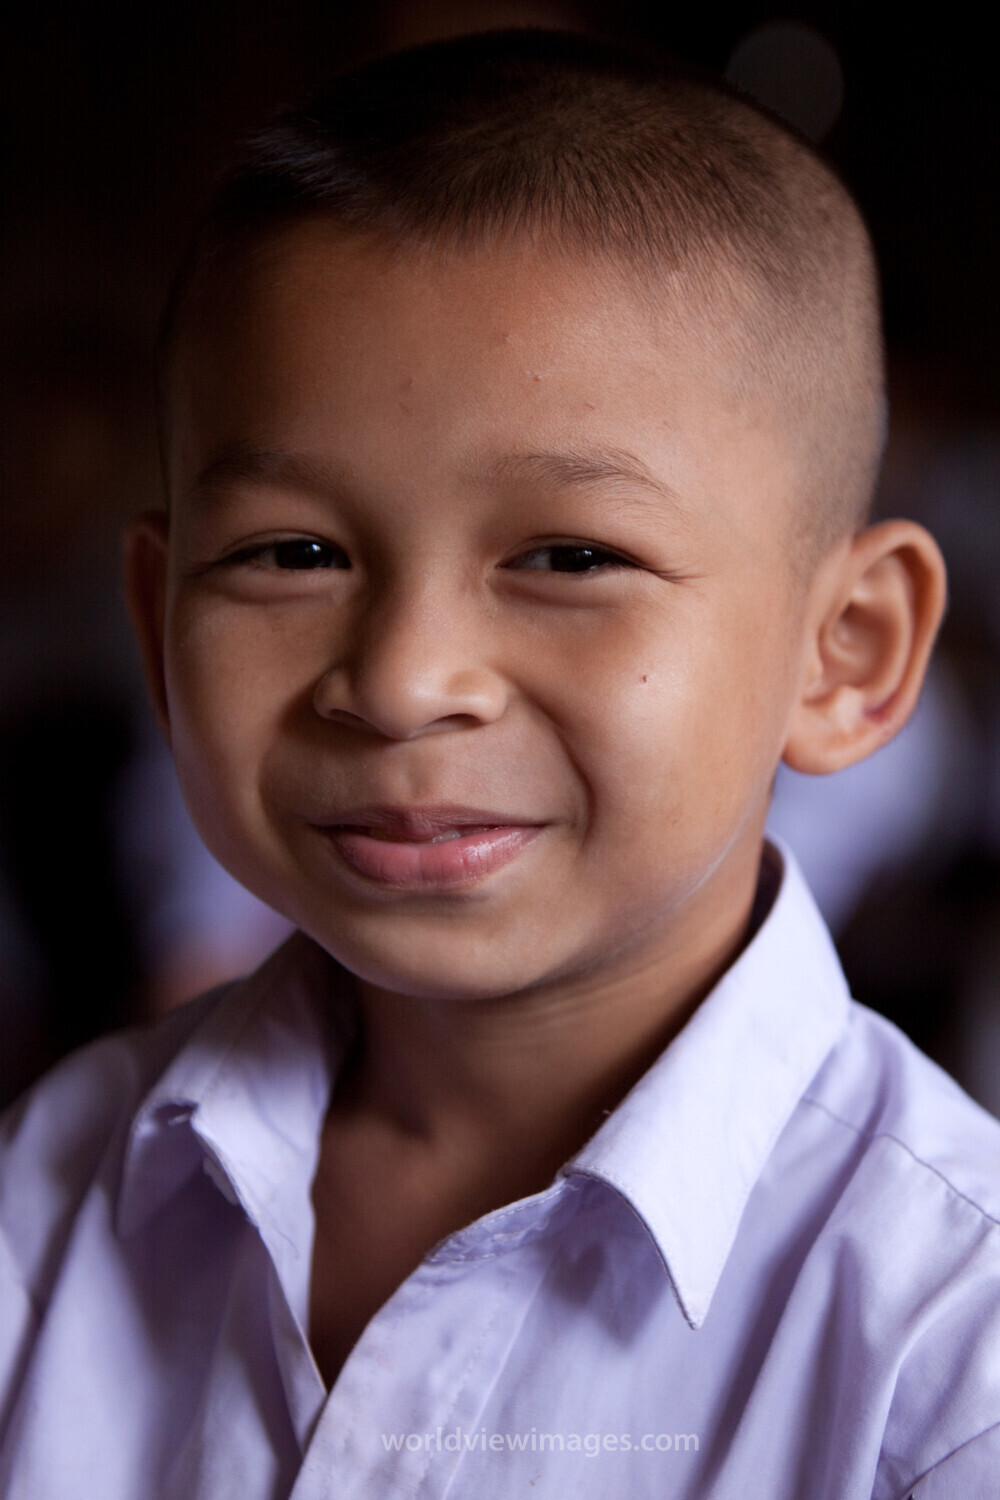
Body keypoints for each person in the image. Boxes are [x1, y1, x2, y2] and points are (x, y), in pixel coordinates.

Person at [1, 29, 996, 1500]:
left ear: (843, 652)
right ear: (159, 630)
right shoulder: (49, 1198)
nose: (403, 683)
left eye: (568, 556)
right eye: (293, 553)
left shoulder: (946, 1344)